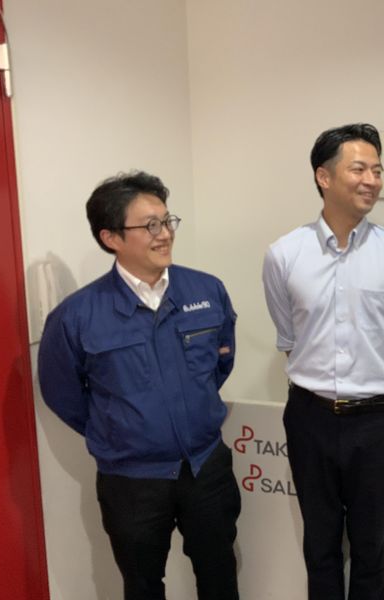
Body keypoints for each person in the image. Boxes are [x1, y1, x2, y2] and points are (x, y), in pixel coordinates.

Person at [38, 171, 241, 600]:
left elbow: (220, 364)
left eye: (166, 221)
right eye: (149, 225)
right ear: (111, 237)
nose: (164, 233)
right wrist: (118, 430)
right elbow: (63, 394)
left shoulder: (207, 290)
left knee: (220, 574)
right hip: (131, 480)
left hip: (205, 467)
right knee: (143, 585)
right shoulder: (76, 316)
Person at [262, 123, 384, 600]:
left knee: (371, 547)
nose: (372, 180)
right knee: (320, 544)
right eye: (359, 169)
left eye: (377, 170)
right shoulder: (283, 254)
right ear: (324, 177)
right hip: (309, 416)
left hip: (377, 420)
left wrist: (370, 385)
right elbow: (289, 338)